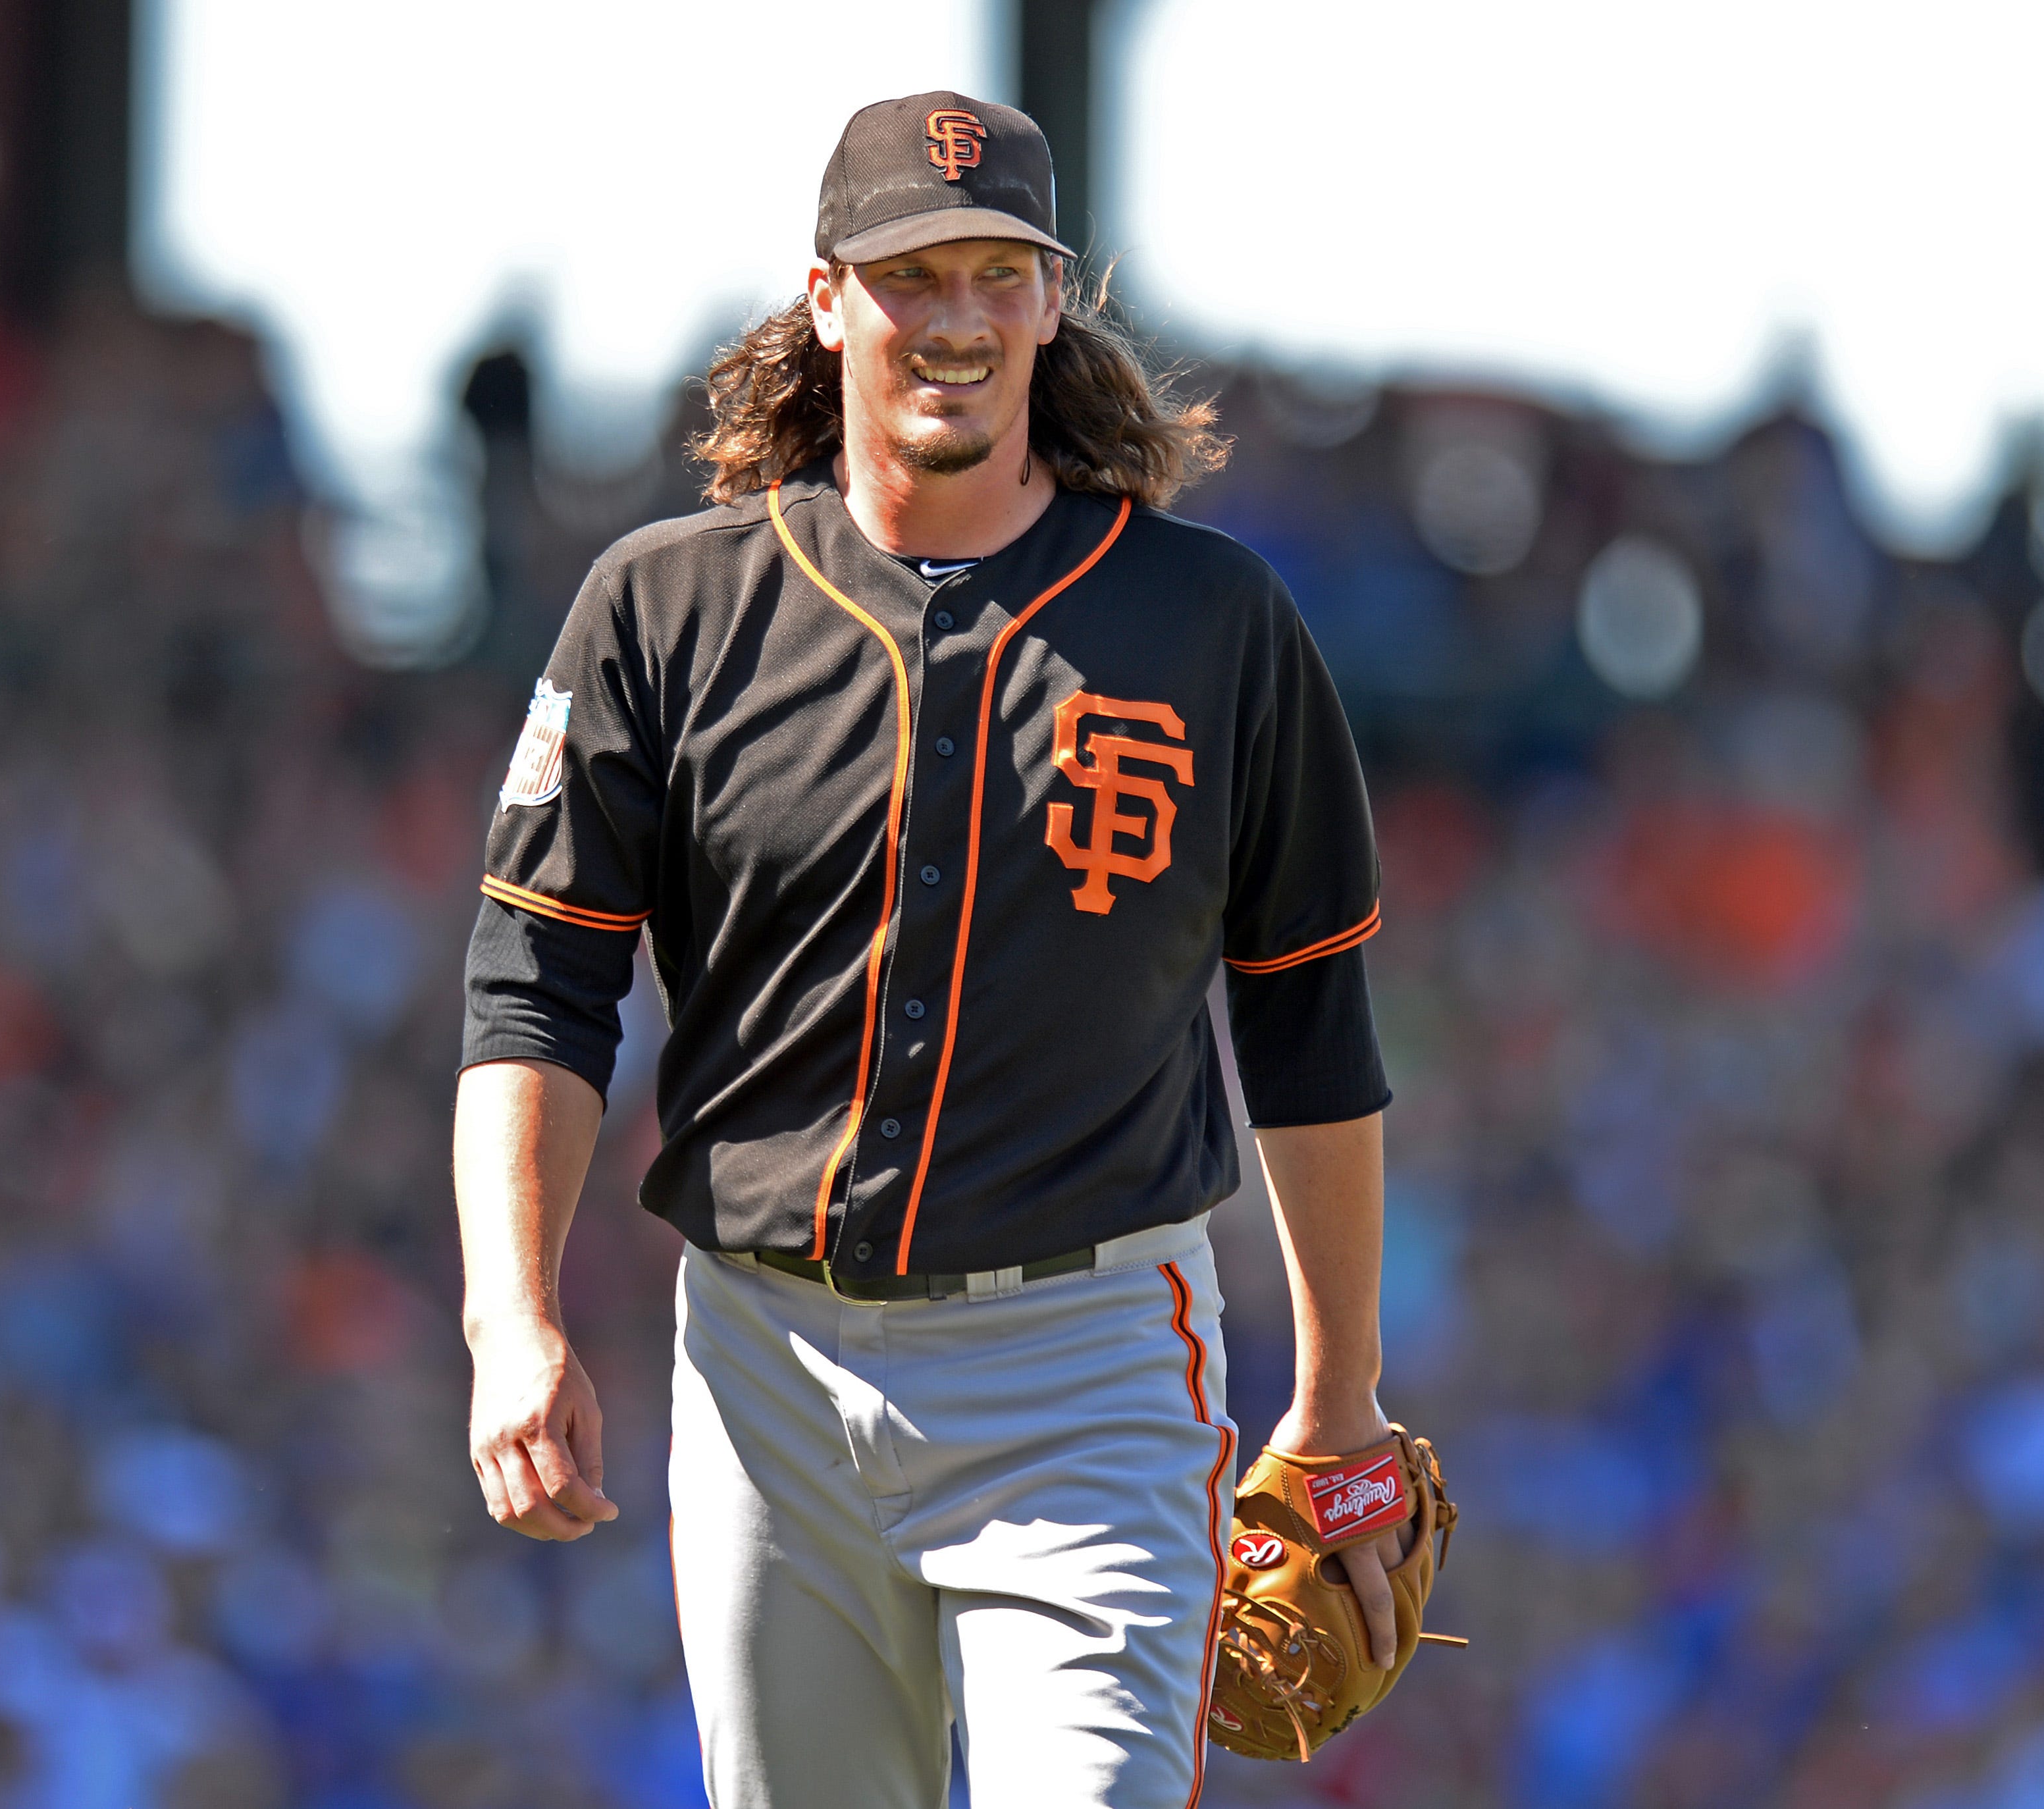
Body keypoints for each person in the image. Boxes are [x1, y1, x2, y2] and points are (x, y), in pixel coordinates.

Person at [452, 90, 1398, 1807]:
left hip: (1086, 1369)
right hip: (764, 1365)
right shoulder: (665, 610)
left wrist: (1334, 1395)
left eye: (994, 271)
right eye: (910, 274)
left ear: (1051, 299)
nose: (953, 315)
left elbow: (1310, 1022)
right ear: (825, 300)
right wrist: (512, 1320)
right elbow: (536, 989)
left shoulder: (1208, 623)